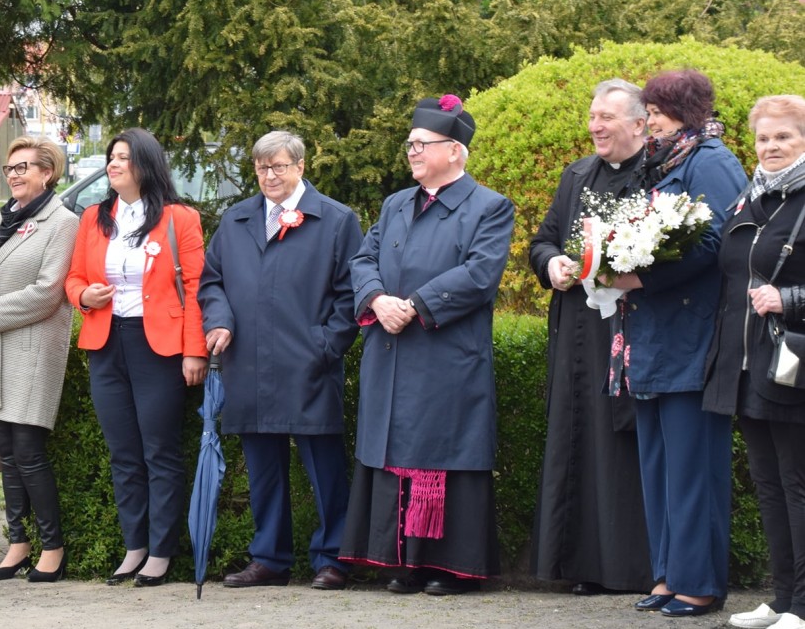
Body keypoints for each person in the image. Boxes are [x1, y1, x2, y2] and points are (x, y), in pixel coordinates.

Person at [342, 95, 514, 596]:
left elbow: (480, 275)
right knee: (392, 450)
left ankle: (449, 566)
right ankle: (403, 562)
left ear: (455, 151)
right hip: (392, 352)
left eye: (421, 144)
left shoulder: (489, 206)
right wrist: (376, 300)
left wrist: (413, 304)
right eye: (410, 144)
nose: (412, 151)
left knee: (445, 454)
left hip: (446, 357)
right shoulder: (396, 203)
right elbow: (363, 258)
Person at [198, 131, 363, 591]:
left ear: (301, 167)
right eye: (261, 167)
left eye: (279, 166)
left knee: (324, 467)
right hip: (247, 361)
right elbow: (211, 282)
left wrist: (325, 345)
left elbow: (352, 294)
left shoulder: (334, 220)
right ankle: (270, 557)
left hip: (309, 363)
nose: (269, 176)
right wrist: (219, 320)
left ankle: (334, 558)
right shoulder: (236, 220)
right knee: (263, 468)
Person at [609, 69, 745, 617]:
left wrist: (641, 277)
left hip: (693, 335)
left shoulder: (711, 160)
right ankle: (668, 574)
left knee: (693, 464)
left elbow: (716, 241)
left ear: (684, 110)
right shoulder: (664, 163)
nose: (650, 118)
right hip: (653, 335)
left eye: (658, 109)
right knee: (659, 463)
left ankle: (699, 582)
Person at [65, 127, 208, 587]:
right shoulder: (94, 217)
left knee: (160, 452)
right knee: (123, 453)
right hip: (107, 343)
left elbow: (195, 290)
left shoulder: (178, 218)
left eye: (123, 157)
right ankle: (135, 547)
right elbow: (73, 280)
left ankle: (162, 552)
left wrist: (194, 351)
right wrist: (85, 294)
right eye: (111, 156)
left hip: (159, 347)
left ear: (146, 164)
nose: (114, 163)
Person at [528, 80, 652, 595]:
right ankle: (576, 565)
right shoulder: (576, 174)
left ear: (640, 125)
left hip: (628, 331)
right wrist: (552, 263)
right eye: (593, 116)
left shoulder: (658, 176)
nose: (596, 126)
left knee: (616, 444)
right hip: (575, 330)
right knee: (574, 437)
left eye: (607, 117)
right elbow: (544, 239)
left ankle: (623, 569)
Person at [705, 94, 805, 629]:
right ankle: (784, 596)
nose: (770, 147)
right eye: (764, 137)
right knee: (767, 483)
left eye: (784, 137)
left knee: (797, 483)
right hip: (747, 360)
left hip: (792, 361)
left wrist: (788, 298)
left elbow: (782, 285)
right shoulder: (750, 198)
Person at [0, 137, 80, 583]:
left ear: (47, 172)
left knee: (29, 451)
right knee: (7, 453)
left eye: (23, 167)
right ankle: (18, 543)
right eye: (10, 167)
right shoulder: (1, 218)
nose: (13, 174)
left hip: (30, 348)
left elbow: (49, 291)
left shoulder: (62, 222)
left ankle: (53, 546)